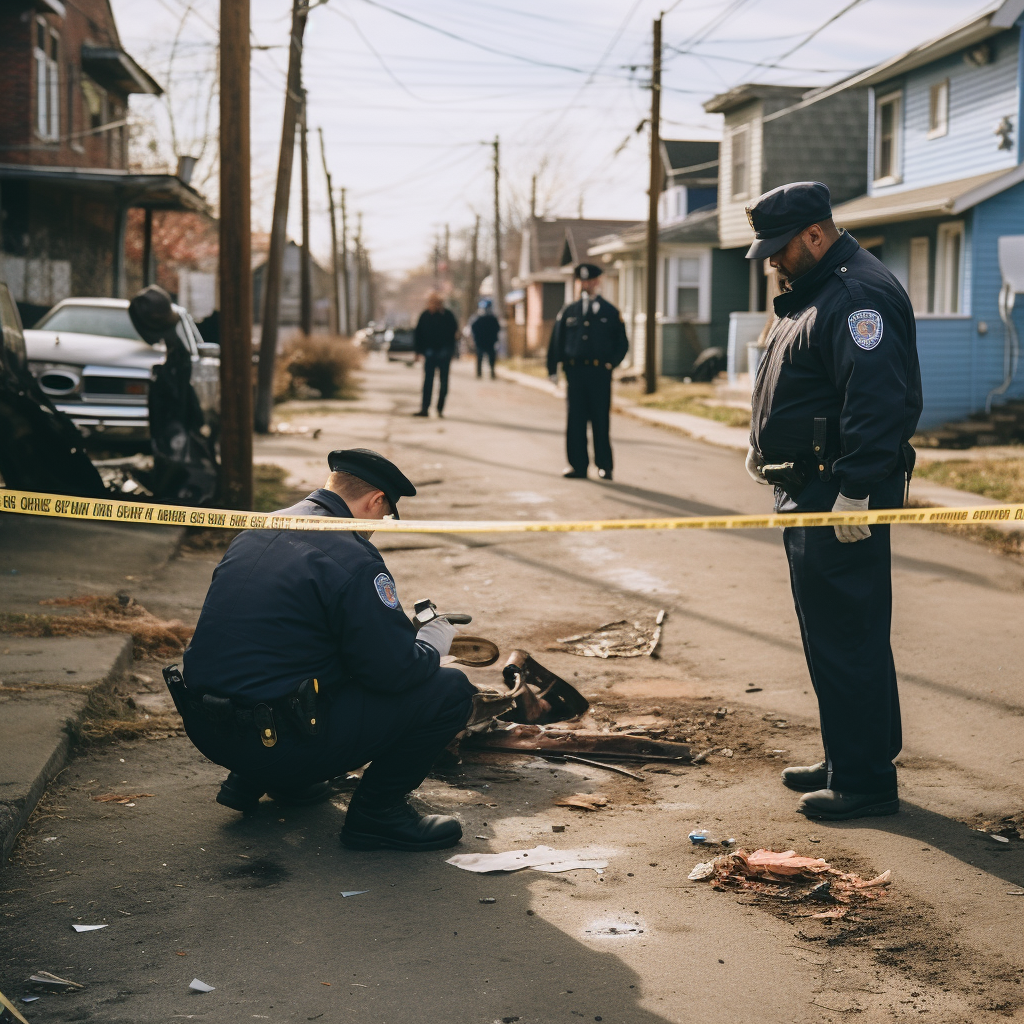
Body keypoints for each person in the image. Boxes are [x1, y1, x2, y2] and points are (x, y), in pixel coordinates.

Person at [176, 448, 475, 851]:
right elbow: (392, 671)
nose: (376, 528)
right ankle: (378, 814)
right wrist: (430, 646)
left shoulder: (258, 530)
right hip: (274, 740)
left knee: (309, 654)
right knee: (450, 689)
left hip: (210, 728)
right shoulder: (351, 555)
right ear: (375, 501)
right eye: (383, 517)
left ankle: (268, 778)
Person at [743, 181, 922, 821]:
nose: (771, 260)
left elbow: (875, 405)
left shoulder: (856, 297)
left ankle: (866, 780)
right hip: (808, 487)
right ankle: (851, 753)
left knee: (848, 634)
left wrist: (854, 491)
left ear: (815, 235)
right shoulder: (819, 289)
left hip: (837, 494)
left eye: (780, 247)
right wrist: (763, 448)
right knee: (834, 632)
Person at [546, 264, 629, 480]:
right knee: (576, 421)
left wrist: (612, 362)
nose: (587, 285)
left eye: (591, 281)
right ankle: (578, 466)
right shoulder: (569, 311)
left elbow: (622, 342)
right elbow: (556, 341)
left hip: (599, 373)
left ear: (598, 282)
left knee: (600, 420)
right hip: (575, 373)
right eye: (583, 281)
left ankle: (605, 465)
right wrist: (552, 369)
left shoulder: (610, 311)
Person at [412, 292, 459, 417]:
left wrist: (451, 351)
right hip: (429, 353)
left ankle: (439, 409)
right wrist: (417, 352)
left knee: (443, 383)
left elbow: (455, 334)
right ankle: (424, 408)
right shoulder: (424, 316)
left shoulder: (448, 315)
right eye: (431, 302)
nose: (433, 305)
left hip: (444, 353)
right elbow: (418, 334)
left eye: (436, 302)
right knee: (428, 382)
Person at [470, 299, 499, 379]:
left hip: (485, 341)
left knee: (485, 358)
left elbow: (473, 328)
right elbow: (497, 328)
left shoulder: (480, 318)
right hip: (485, 341)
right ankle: (485, 372)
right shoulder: (489, 318)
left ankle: (486, 372)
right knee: (485, 357)